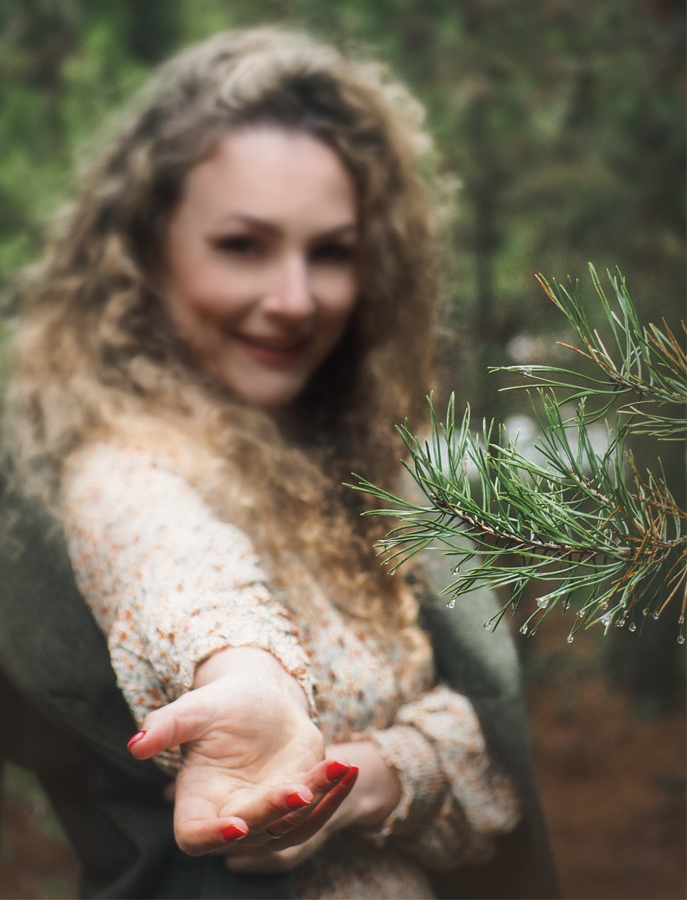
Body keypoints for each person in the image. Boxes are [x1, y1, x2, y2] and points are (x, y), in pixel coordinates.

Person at [0, 28, 558, 900]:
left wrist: (356, 778)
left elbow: (489, 763)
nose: (295, 299)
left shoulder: (370, 457)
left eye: (330, 252)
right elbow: (169, 563)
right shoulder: (116, 459)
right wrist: (244, 676)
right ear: (146, 251)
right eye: (242, 245)